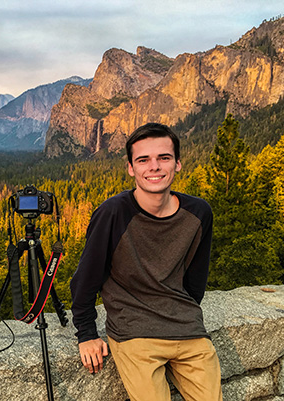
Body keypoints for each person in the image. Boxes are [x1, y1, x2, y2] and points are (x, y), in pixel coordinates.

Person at [70, 123, 223, 400]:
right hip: (134, 333)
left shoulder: (199, 212)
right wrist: (86, 333)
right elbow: (86, 278)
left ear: (177, 164)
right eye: (143, 160)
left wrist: (184, 313)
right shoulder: (113, 213)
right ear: (131, 168)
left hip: (188, 332)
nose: (154, 167)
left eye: (163, 158)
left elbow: (196, 278)